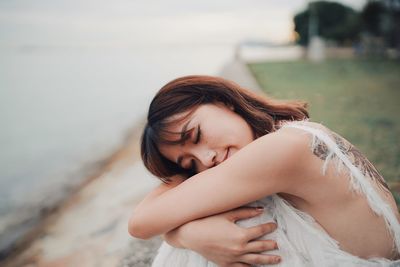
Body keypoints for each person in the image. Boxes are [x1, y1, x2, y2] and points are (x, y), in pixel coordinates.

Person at [129, 75, 400, 266]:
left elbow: (140, 224)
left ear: (223, 101)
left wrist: (181, 234)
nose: (206, 158)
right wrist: (187, 234)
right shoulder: (291, 133)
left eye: (196, 135)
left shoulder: (281, 150)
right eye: (190, 164)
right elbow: (152, 217)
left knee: (235, 222)